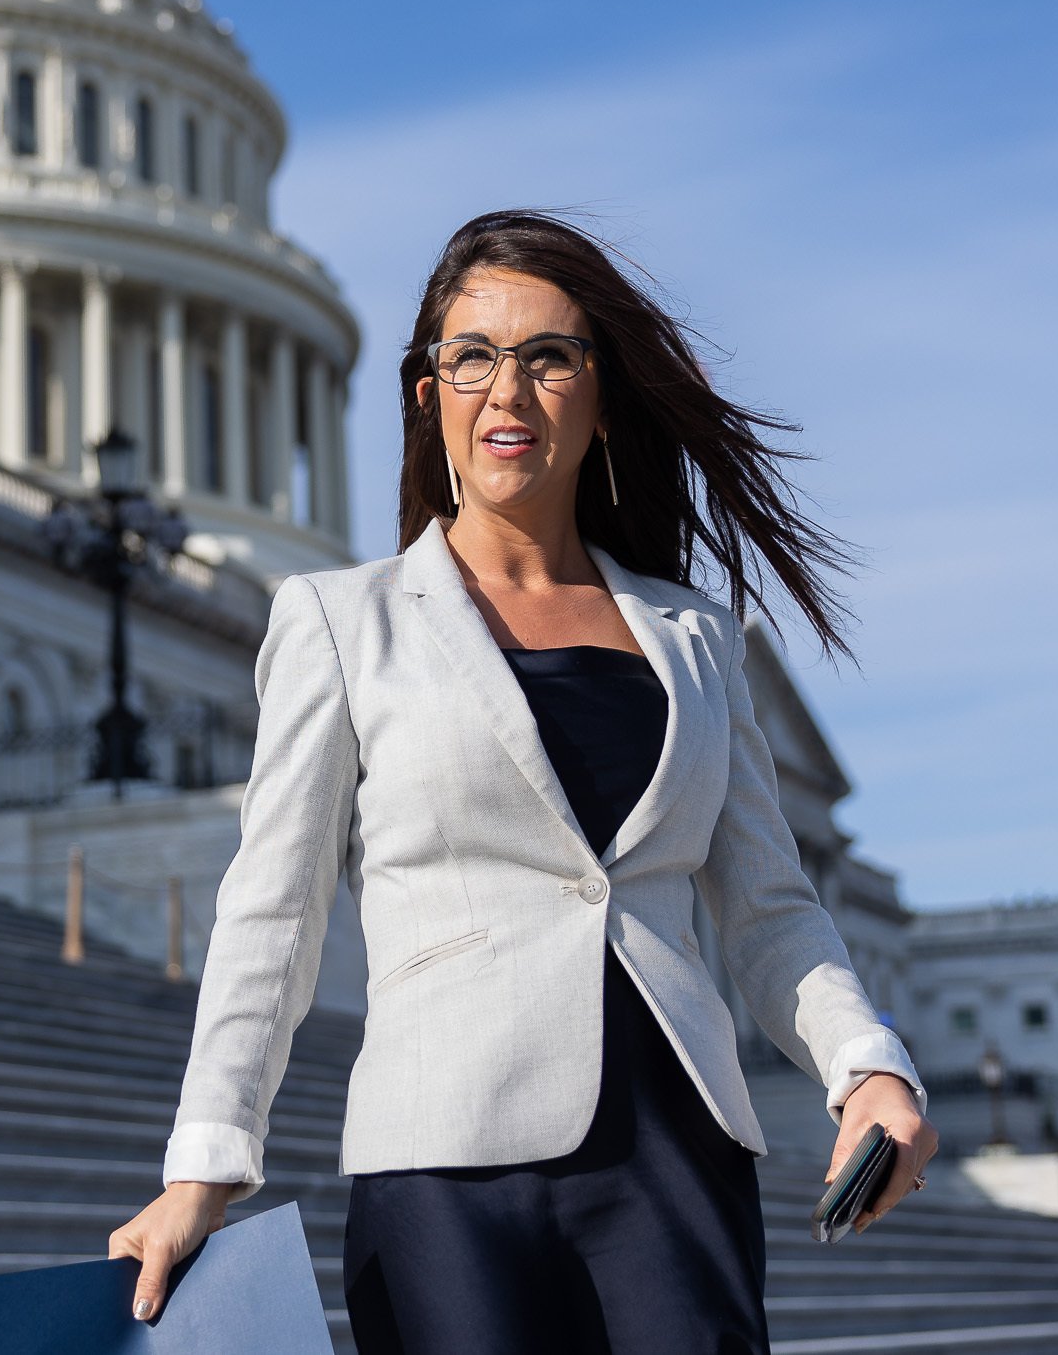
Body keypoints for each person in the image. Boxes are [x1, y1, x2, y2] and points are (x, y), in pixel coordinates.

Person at [110, 211, 937, 1353]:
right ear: (425, 392)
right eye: (472, 356)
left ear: (600, 395)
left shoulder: (695, 636)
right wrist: (205, 1163)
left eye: (550, 356)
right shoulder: (339, 622)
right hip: (446, 1167)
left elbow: (770, 908)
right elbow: (274, 913)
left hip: (675, 1156)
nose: (509, 390)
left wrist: (867, 1068)